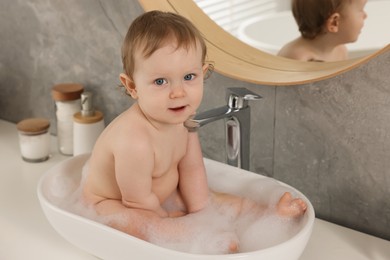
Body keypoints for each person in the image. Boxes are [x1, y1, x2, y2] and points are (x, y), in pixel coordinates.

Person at [82, 10, 307, 254]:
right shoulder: (134, 141)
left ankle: (269, 213)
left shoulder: (184, 121)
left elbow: (192, 169)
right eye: (160, 81)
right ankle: (210, 242)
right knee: (143, 225)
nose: (178, 92)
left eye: (189, 77)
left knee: (219, 199)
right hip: (114, 205)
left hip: (158, 196)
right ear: (132, 86)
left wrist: (202, 211)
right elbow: (138, 204)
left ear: (204, 72)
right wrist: (171, 221)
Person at [278, 0, 367, 62]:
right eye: (361, 10)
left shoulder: (341, 51)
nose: (365, 15)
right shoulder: (296, 59)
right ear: (334, 22)